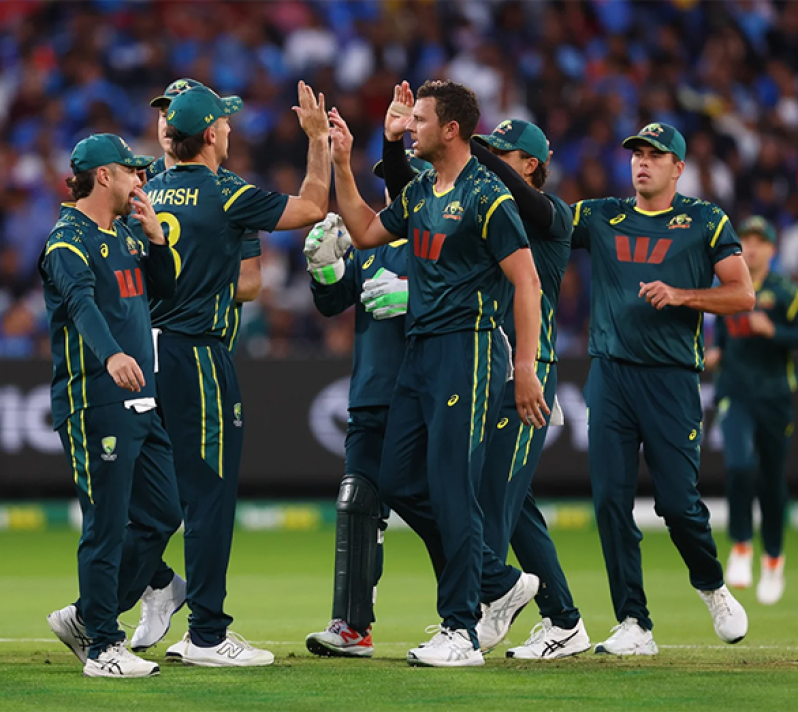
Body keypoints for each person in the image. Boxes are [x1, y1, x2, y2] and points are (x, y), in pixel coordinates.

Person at [329, 79, 547, 667]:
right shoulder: (424, 190)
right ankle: (493, 581)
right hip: (420, 353)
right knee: (397, 481)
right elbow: (366, 231)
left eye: (420, 120)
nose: (410, 128)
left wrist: (524, 367)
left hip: (467, 351)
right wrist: (342, 165)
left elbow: (526, 282)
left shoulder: (486, 196)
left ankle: (461, 631)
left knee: (453, 486)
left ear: (451, 129)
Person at [380, 86, 589, 658]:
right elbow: (420, 205)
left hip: (528, 366)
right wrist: (402, 145)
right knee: (502, 504)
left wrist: (470, 148)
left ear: (532, 167)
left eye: (507, 153)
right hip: (494, 360)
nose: (496, 159)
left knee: (490, 499)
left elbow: (508, 196)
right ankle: (532, 605)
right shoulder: (472, 196)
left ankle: (489, 613)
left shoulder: (547, 216)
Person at [138, 82, 330, 667]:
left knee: (146, 493)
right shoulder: (227, 193)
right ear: (215, 132)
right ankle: (206, 633)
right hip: (197, 355)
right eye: (223, 120)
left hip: (143, 352)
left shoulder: (141, 187)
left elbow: (244, 280)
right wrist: (319, 142)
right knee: (209, 498)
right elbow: (312, 208)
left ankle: (124, 603)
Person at [571, 122, 754, 655]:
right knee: (609, 499)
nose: (642, 162)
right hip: (610, 372)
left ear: (679, 168)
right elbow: (543, 221)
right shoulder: (601, 214)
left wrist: (681, 295)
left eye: (656, 155)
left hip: (672, 379)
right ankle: (634, 622)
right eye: (637, 154)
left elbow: (742, 296)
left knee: (677, 504)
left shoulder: (704, 221)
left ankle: (712, 586)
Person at [129, 78, 264, 654]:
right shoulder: (143, 189)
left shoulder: (214, 191)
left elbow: (252, 283)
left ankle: (169, 597)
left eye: (172, 114)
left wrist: (187, 282)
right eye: (159, 111)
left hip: (166, 345)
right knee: (153, 490)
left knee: (160, 488)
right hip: (168, 351)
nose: (164, 122)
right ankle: (171, 595)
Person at [42, 133, 181, 677]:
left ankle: (87, 616)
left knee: (163, 513)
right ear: (104, 176)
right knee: (106, 523)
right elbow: (80, 306)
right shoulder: (66, 242)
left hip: (140, 400)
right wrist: (113, 356)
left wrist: (157, 241)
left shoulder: (124, 233)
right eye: (132, 172)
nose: (140, 181)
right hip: (95, 400)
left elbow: (163, 294)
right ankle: (102, 646)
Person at [304, 154, 433, 658]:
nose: (392, 195)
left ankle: (476, 605)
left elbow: (481, 296)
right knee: (357, 503)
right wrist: (324, 268)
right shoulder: (372, 244)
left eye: (403, 185)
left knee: (445, 505)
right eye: (388, 185)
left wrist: (418, 296)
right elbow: (334, 301)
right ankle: (352, 626)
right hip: (372, 397)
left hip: (427, 397)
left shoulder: (444, 245)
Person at [706, 216, 798, 605]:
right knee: (740, 464)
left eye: (760, 240)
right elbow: (722, 340)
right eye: (746, 239)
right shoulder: (730, 288)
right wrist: (714, 355)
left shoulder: (786, 292)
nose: (753, 246)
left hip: (776, 395)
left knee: (773, 482)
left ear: (772, 250)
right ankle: (741, 545)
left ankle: (774, 559)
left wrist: (773, 331)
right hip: (735, 393)